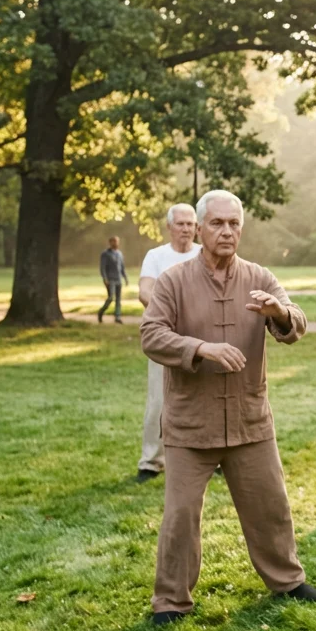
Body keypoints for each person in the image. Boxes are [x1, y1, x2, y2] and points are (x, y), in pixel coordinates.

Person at [140, 189, 316, 625]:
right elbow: (151, 335)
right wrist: (200, 348)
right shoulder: (173, 281)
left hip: (249, 419)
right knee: (180, 515)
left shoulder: (260, 276)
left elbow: (296, 322)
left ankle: (287, 580)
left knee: (270, 504)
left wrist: (280, 312)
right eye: (218, 224)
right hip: (191, 423)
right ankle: (171, 601)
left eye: (234, 223)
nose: (227, 231)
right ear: (200, 229)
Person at [136, 204, 202, 482]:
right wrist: (173, 315)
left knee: (207, 398)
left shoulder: (204, 253)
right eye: (181, 224)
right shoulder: (156, 256)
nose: (186, 229)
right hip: (165, 337)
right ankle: (151, 461)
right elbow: (144, 291)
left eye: (190, 224)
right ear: (169, 227)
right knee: (159, 401)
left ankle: (215, 456)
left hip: (203, 337)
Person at [98, 236, 127, 323]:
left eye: (117, 241)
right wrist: (105, 279)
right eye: (114, 241)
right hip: (110, 280)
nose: (116, 243)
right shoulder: (105, 254)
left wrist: (125, 278)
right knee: (111, 298)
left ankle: (117, 317)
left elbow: (122, 267)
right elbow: (102, 268)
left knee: (118, 299)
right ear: (110, 242)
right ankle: (101, 312)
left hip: (118, 280)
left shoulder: (119, 254)